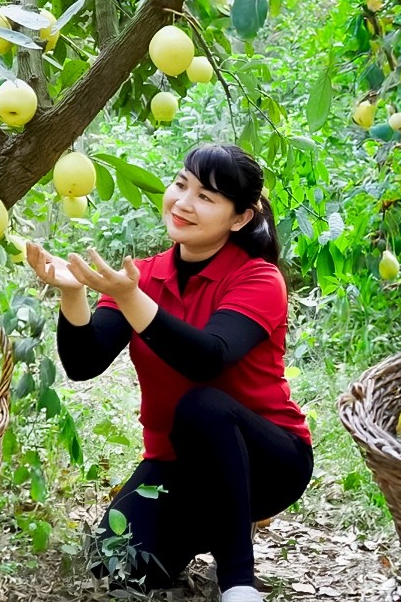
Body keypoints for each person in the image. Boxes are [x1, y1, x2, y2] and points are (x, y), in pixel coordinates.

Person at [26, 143, 313, 602]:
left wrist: (130, 298)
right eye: (181, 185)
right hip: (177, 464)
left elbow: (209, 359)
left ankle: (238, 581)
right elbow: (85, 362)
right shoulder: (145, 275)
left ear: (239, 218)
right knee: (116, 561)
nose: (182, 202)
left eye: (206, 197)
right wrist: (73, 293)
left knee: (202, 406)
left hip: (268, 460)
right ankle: (222, 516)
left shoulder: (258, 279)